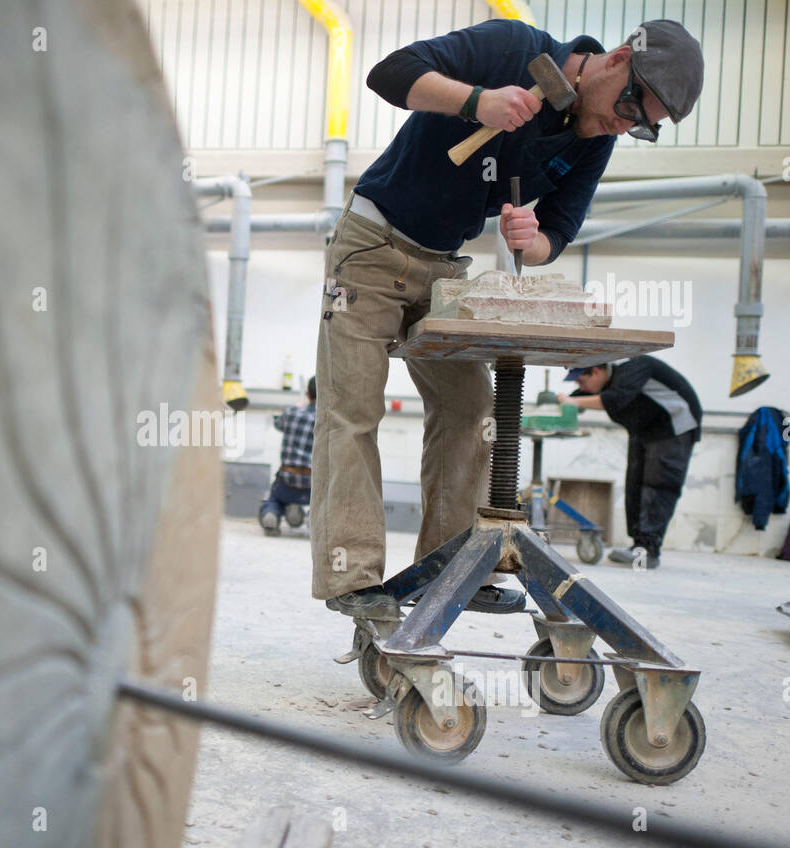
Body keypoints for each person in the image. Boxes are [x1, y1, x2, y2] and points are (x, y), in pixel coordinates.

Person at [311, 18, 704, 620]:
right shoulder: (513, 49)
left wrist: (533, 237)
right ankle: (353, 578)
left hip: (445, 268)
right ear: (618, 57)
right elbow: (388, 73)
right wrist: (477, 101)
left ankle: (447, 569)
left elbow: (559, 229)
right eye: (629, 105)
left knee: (470, 409)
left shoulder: (596, 136)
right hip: (371, 245)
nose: (625, 124)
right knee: (352, 410)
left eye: (642, 126)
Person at [558, 357, 703, 568]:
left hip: (673, 429)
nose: (580, 387)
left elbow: (615, 399)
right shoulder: (606, 383)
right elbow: (581, 397)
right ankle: (638, 547)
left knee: (658, 485)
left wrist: (574, 402)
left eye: (581, 381)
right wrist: (560, 404)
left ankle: (648, 552)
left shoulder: (635, 368)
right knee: (634, 486)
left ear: (596, 371)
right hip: (644, 432)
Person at [260, 376, 317, 536]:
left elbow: (278, 424)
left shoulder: (291, 412)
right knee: (325, 500)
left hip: (286, 483)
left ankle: (272, 513)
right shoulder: (328, 419)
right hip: (312, 487)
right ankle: (314, 516)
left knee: (272, 498)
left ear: (307, 393)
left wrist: (294, 408)